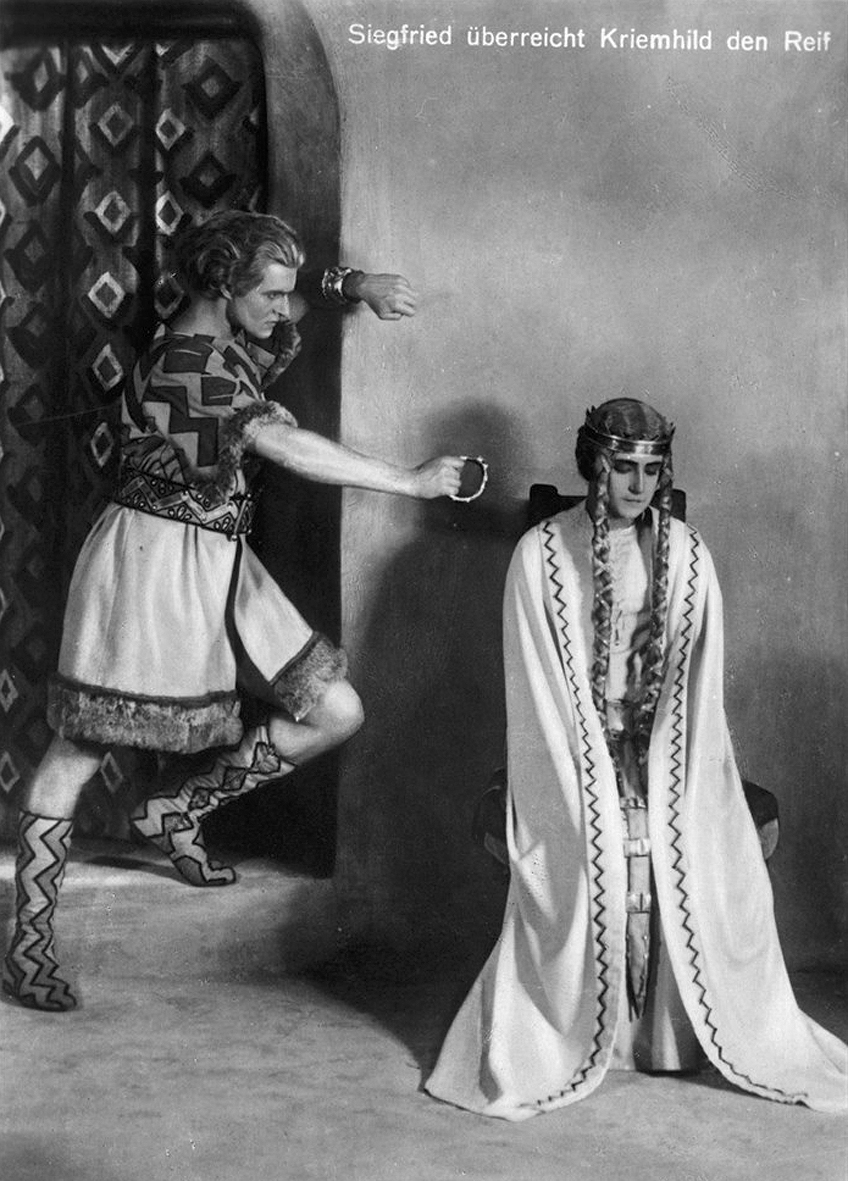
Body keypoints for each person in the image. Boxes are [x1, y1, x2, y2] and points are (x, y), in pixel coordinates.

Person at [2, 210, 466, 1013]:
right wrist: (409, 480)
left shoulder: (228, 335)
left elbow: (298, 295)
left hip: (219, 557)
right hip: (147, 563)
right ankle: (29, 946)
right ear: (222, 285)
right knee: (81, 746)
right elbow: (284, 446)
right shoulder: (184, 364)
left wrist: (355, 285)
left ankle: (176, 808)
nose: (284, 310)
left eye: (285, 294)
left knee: (336, 710)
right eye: (270, 296)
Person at [425, 398, 847, 1118]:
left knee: (701, 849)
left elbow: (698, 681)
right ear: (593, 464)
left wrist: (659, 756)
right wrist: (591, 761)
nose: (639, 485)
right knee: (598, 842)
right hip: (570, 744)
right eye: (623, 468)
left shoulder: (686, 551)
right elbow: (536, 684)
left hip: (667, 744)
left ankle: (670, 1038)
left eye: (652, 471)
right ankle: (587, 1033)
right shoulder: (541, 553)